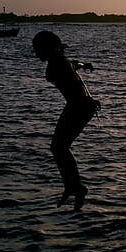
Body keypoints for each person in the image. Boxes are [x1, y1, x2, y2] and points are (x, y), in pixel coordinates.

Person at [32, 30, 100, 210]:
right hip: (79, 106)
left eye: (38, 49)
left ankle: (75, 187)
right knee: (58, 147)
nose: (36, 53)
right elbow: (73, 64)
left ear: (50, 49)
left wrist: (81, 66)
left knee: (58, 147)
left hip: (80, 106)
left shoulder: (57, 64)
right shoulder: (60, 61)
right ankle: (73, 186)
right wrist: (85, 64)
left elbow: (70, 66)